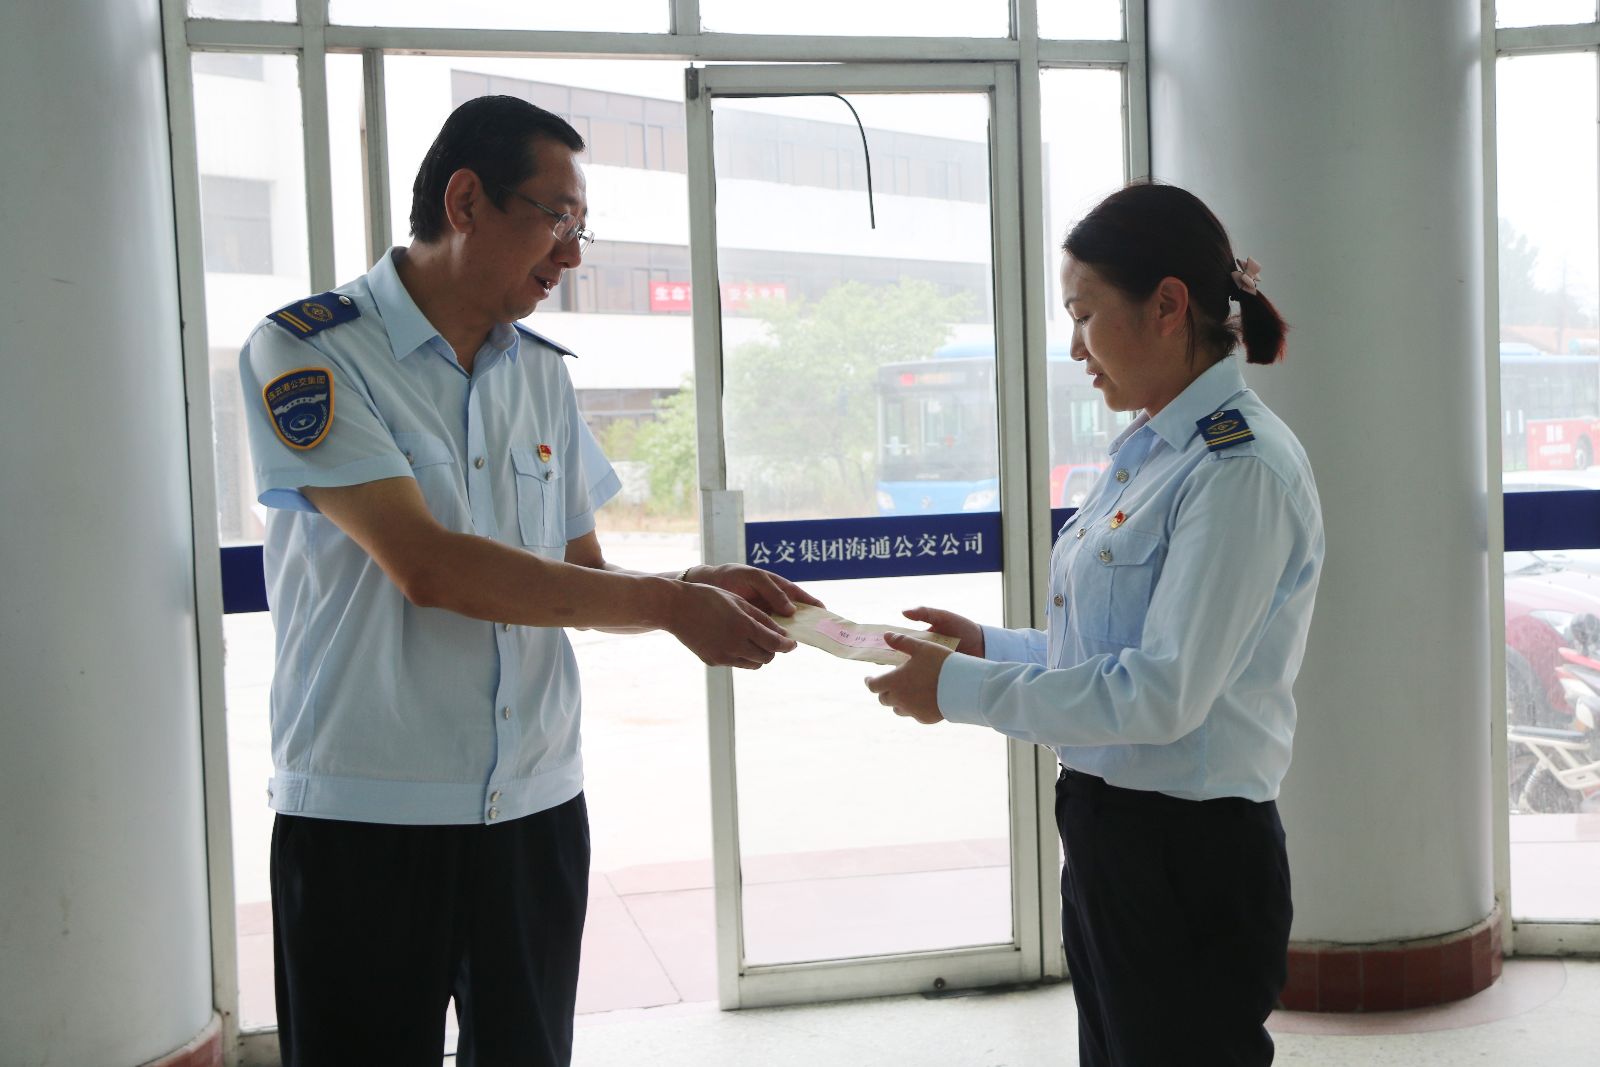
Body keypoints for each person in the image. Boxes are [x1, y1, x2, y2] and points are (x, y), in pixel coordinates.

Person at [239, 95, 817, 1067]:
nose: (573, 256)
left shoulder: (540, 372)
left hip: (534, 808)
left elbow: (577, 573)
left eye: (581, 227)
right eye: (558, 219)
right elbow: (427, 565)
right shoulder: (310, 349)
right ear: (466, 201)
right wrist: (669, 605)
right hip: (369, 812)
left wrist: (690, 580)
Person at [866, 181, 1324, 1066]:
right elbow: (1111, 653)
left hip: (1188, 857)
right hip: (1111, 831)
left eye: (1084, 315)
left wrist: (961, 690)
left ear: (1168, 305)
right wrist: (987, 647)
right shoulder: (1151, 452)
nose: (1075, 346)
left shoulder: (1237, 470)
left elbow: (1161, 693)